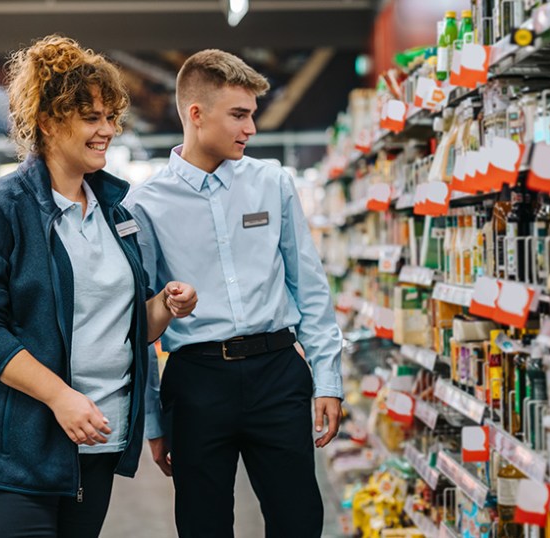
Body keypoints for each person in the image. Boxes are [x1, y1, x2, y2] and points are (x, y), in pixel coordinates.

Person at [0, 34, 197, 538]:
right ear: (49, 121)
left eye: (109, 118)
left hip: (95, 443)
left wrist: (163, 306)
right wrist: (60, 397)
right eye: (91, 117)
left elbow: (121, 327)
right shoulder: (0, 211)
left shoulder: (115, 214)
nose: (107, 131)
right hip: (19, 450)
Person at [124, 49, 343, 538]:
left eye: (252, 115)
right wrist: (154, 420)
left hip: (278, 374)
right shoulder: (144, 204)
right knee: (203, 526)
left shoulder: (273, 182)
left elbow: (308, 285)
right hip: (197, 382)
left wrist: (327, 378)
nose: (252, 129)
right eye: (239, 115)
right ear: (196, 115)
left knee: (300, 521)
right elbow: (141, 323)